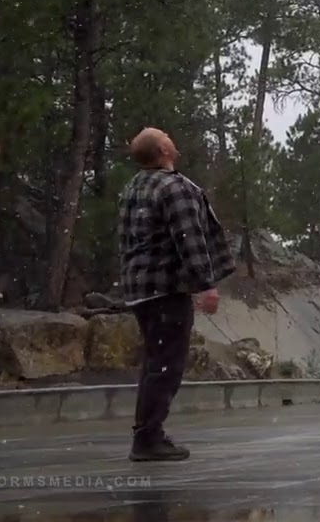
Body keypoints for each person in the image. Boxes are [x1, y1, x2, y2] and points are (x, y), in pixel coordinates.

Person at [119, 127, 234, 462]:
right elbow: (190, 239)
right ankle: (148, 438)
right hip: (166, 288)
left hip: (140, 289)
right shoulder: (174, 188)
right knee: (167, 364)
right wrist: (206, 285)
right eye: (166, 136)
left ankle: (147, 433)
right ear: (163, 150)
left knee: (155, 362)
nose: (172, 137)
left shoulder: (133, 187)